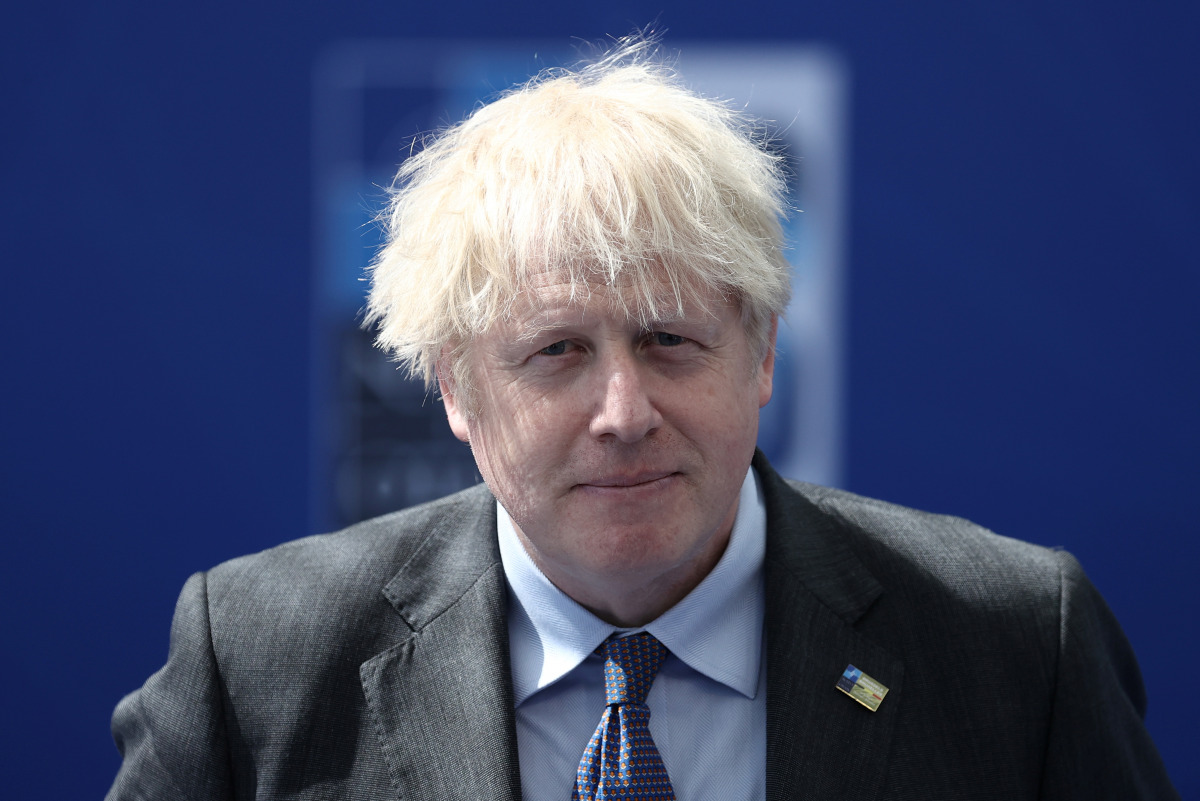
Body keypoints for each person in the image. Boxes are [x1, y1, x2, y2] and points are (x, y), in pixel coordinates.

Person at [106, 38, 1179, 800]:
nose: (624, 413)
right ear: (456, 388)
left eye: (670, 340)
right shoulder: (257, 661)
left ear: (762, 353)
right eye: (557, 352)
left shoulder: (1014, 645)